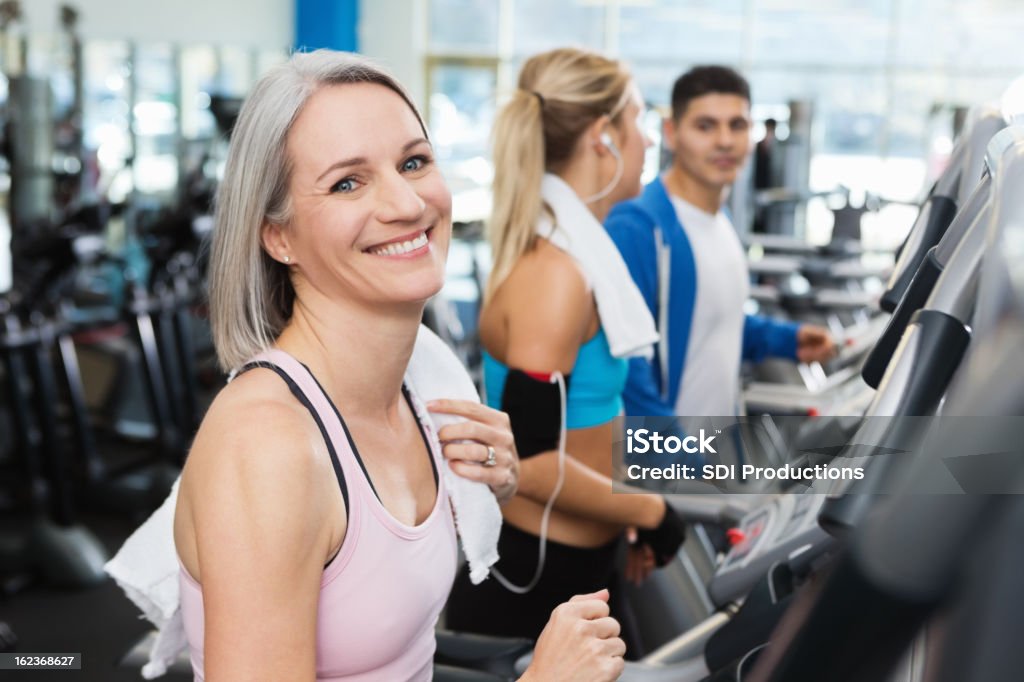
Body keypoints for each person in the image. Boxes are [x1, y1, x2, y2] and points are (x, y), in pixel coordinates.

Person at [172, 50, 626, 682]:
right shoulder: (267, 448)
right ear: (277, 236)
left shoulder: (421, 382)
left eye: (414, 162)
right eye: (347, 182)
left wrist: (495, 483)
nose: (408, 205)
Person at [444, 47, 688, 648]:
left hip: (585, 558)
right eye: (639, 123)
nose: (649, 144)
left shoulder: (578, 255)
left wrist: (624, 511)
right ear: (604, 136)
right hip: (538, 577)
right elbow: (526, 463)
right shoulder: (554, 277)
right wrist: (651, 512)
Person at [605, 66, 836, 421]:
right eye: (705, 126)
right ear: (671, 132)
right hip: (666, 466)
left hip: (717, 446)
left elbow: (706, 321)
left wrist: (787, 339)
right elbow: (627, 370)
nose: (725, 141)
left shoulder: (721, 220)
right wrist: (678, 461)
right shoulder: (639, 226)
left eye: (737, 125)